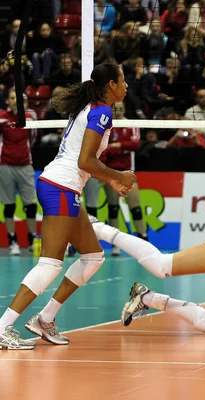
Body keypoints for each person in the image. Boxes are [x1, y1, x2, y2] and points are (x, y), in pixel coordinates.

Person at [0, 63, 136, 350]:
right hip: (60, 186)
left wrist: (109, 181)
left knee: (93, 257)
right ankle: (2, 327)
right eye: (124, 81)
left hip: (63, 185)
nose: (127, 86)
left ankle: (44, 318)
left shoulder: (92, 107)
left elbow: (82, 158)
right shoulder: (101, 112)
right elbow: (84, 161)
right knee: (50, 264)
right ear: (111, 85)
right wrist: (119, 176)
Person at [104, 101, 147, 256]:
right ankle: (116, 244)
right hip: (110, 172)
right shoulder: (106, 125)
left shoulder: (131, 124)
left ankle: (143, 239)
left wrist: (117, 145)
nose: (119, 111)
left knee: (135, 208)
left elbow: (135, 144)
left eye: (121, 108)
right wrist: (120, 147)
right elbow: (104, 148)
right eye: (116, 108)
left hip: (128, 172)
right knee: (113, 208)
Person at [0, 88, 38, 255]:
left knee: (30, 205)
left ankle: (32, 240)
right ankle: (12, 241)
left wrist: (23, 152)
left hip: (25, 165)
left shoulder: (30, 117)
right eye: (12, 98)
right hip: (6, 166)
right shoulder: (1, 118)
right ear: (7, 101)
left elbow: (33, 137)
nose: (15, 100)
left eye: (18, 98)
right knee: (9, 205)